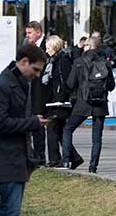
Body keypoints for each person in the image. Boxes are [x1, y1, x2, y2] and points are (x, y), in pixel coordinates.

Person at [0, 44, 51, 216]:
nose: (37, 75)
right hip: (6, 158)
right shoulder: (1, 86)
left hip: (17, 159)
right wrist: (32, 123)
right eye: (35, 69)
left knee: (10, 209)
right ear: (24, 62)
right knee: (10, 210)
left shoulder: (18, 83)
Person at [60, 37, 115, 173]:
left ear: (89, 46)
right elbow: (111, 86)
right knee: (97, 137)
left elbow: (70, 83)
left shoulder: (79, 62)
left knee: (67, 129)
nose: (83, 47)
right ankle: (93, 167)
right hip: (100, 104)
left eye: (85, 45)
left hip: (82, 102)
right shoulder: (105, 64)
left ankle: (66, 160)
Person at [43, 35, 74, 167]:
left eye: (49, 47)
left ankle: (54, 159)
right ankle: (74, 157)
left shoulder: (63, 60)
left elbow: (67, 80)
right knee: (59, 130)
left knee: (52, 128)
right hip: (53, 100)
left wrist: (61, 97)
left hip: (59, 101)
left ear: (55, 47)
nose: (47, 50)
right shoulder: (52, 60)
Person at [24, 21, 48, 164]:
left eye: (29, 33)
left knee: (39, 125)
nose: (27, 36)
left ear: (38, 32)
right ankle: (33, 154)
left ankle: (40, 156)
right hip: (30, 90)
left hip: (41, 91)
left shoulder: (46, 46)